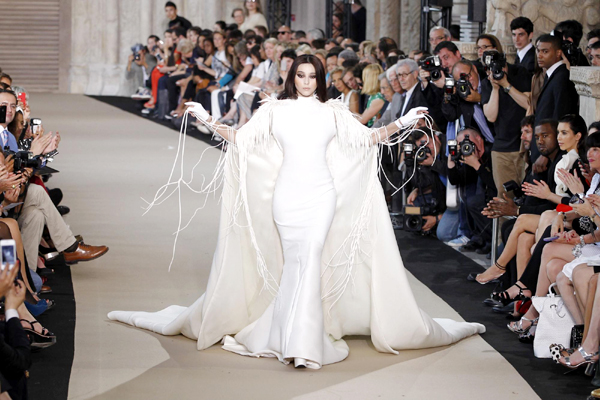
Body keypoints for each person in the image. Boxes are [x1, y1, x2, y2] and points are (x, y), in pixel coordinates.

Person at [109, 54, 484, 369]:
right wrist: (208, 120)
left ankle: (302, 344)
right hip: (286, 198)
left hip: (322, 196)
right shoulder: (275, 111)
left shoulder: (332, 112)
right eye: (300, 76)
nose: (306, 81)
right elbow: (241, 140)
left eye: (312, 76)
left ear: (320, 80)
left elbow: (367, 139)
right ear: (293, 78)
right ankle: (290, 337)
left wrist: (402, 122)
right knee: (295, 264)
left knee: (311, 259)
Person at [531, 34, 579, 170]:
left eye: (545, 51)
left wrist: (546, 155)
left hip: (551, 157)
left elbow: (560, 117)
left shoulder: (562, 78)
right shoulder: (552, 75)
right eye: (538, 51)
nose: (539, 55)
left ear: (558, 53)